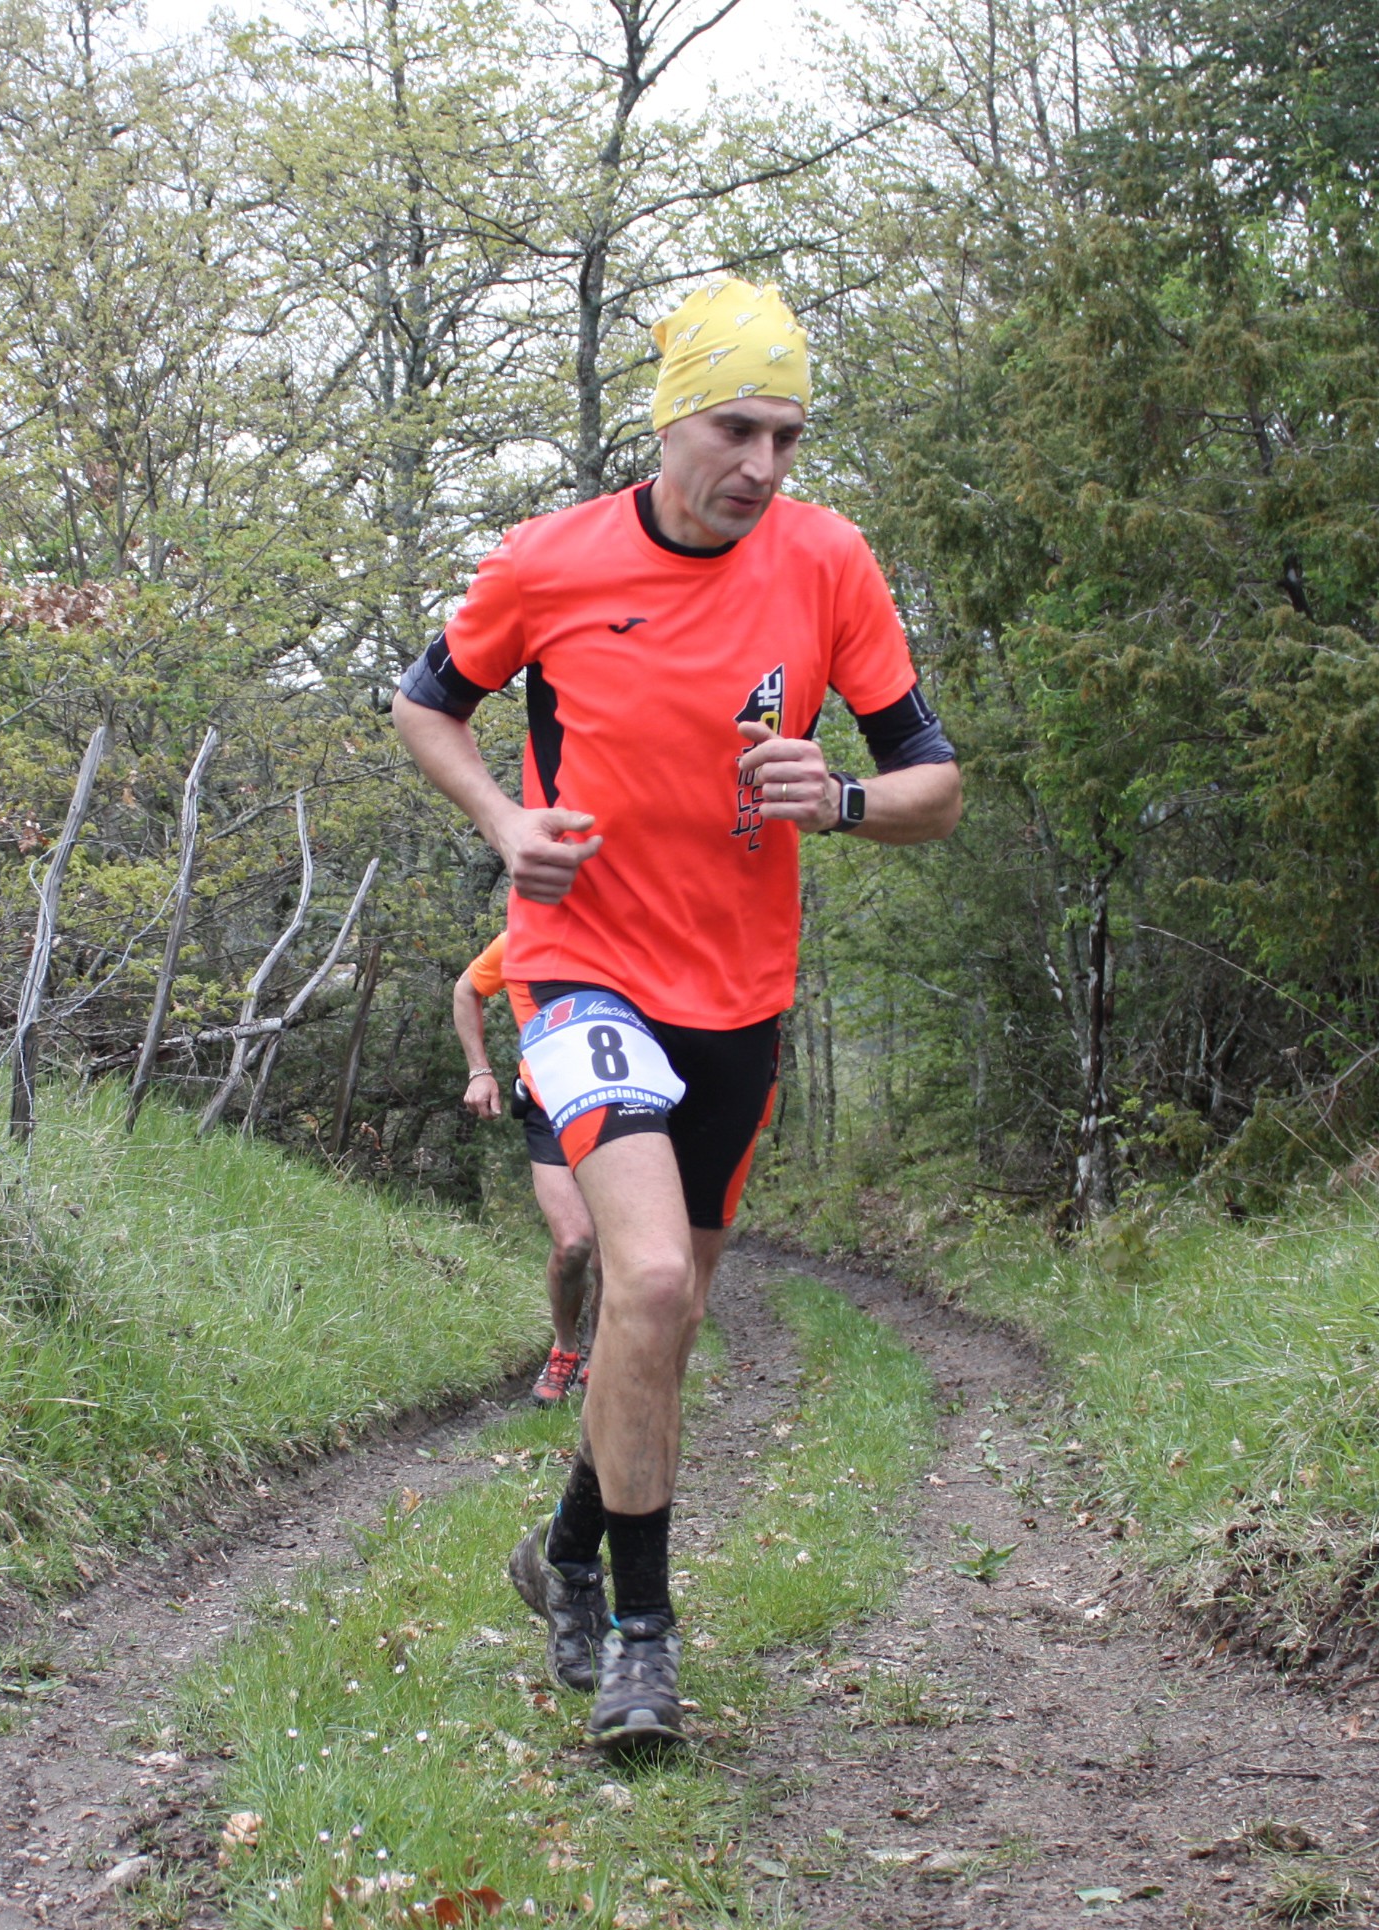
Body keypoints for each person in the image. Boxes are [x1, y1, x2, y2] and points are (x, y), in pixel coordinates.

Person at [390, 276, 963, 1752]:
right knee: (640, 1284)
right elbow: (424, 703)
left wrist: (840, 801)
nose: (764, 467)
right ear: (671, 422)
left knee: (675, 1315)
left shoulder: (831, 562)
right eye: (737, 428)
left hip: (738, 998)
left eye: (787, 435)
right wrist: (504, 823)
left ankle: (566, 1552)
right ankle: (645, 1643)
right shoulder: (548, 562)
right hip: (581, 968)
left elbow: (933, 785)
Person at [453, 933, 598, 1403]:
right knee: (575, 1241)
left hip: (619, 1105)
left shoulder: (626, 923)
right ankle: (566, 1348)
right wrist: (479, 1070)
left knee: (614, 1250)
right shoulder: (522, 937)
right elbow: (467, 989)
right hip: (548, 1106)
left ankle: (609, 1356)